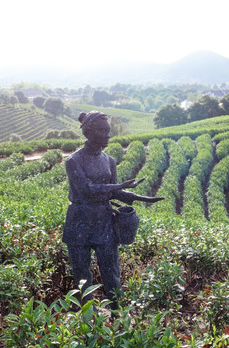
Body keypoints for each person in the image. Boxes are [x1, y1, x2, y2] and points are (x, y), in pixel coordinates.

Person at [63, 110, 163, 308]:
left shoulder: (109, 161)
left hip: (103, 220)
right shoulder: (73, 161)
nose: (108, 136)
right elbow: (87, 190)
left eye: (108, 131)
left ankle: (118, 315)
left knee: (111, 272)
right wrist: (118, 186)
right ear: (89, 132)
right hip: (79, 222)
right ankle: (87, 315)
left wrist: (135, 196)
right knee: (82, 276)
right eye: (103, 131)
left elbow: (113, 193)